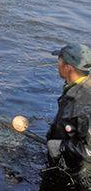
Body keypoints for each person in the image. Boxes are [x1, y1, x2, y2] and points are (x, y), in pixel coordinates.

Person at [41, 43, 91, 190]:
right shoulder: (77, 86)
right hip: (65, 163)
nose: (57, 64)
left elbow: (88, 151)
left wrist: (60, 147)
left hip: (76, 177)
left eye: (59, 61)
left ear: (68, 67)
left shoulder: (84, 103)